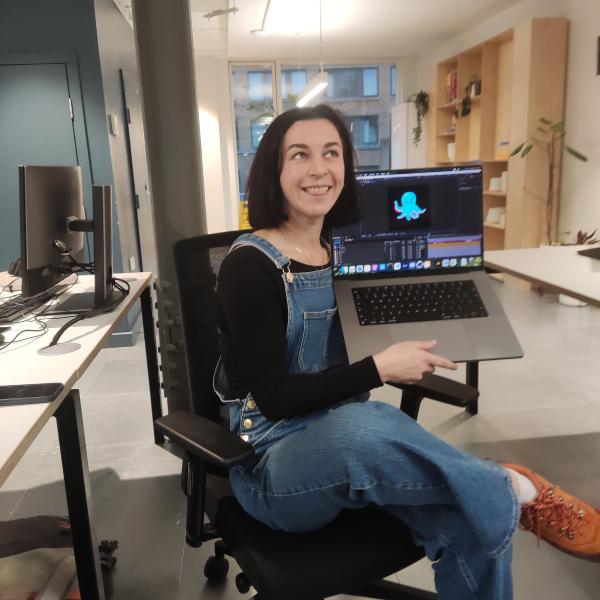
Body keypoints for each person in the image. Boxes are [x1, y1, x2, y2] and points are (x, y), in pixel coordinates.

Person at [215, 104, 600, 599]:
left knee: (473, 523)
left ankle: (495, 496)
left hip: (351, 450)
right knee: (366, 424)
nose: (319, 169)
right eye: (300, 155)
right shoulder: (250, 266)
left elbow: (348, 354)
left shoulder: (345, 250)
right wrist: (376, 368)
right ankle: (512, 489)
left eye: (332, 153)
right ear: (274, 169)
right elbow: (275, 399)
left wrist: (394, 345)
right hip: (273, 468)